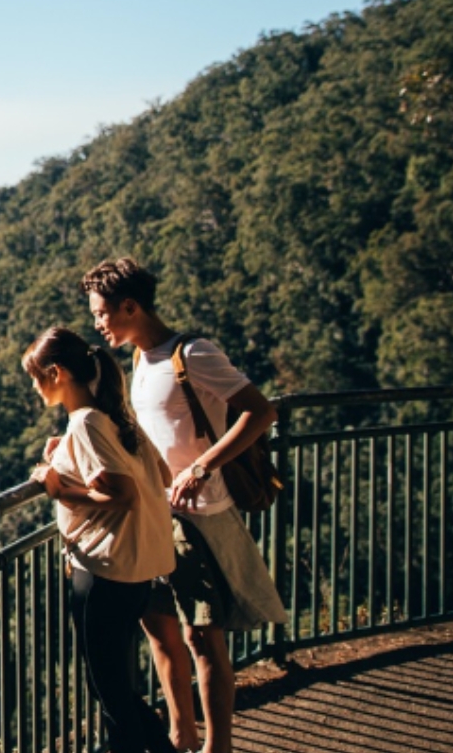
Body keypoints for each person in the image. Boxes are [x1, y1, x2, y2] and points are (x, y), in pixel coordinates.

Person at [82, 258, 287, 753]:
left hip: (198, 519)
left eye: (102, 313)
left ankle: (218, 747)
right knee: (160, 635)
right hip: (156, 517)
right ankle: (179, 738)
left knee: (202, 639)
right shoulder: (139, 359)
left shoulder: (192, 353)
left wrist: (202, 467)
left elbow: (261, 412)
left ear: (130, 306)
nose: (98, 323)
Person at [24, 327, 178, 753]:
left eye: (37, 377)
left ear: (55, 373)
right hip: (138, 570)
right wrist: (65, 454)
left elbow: (122, 495)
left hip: (103, 573)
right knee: (116, 685)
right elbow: (159, 477)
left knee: (108, 691)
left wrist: (57, 487)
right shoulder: (115, 416)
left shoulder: (87, 423)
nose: (35, 387)